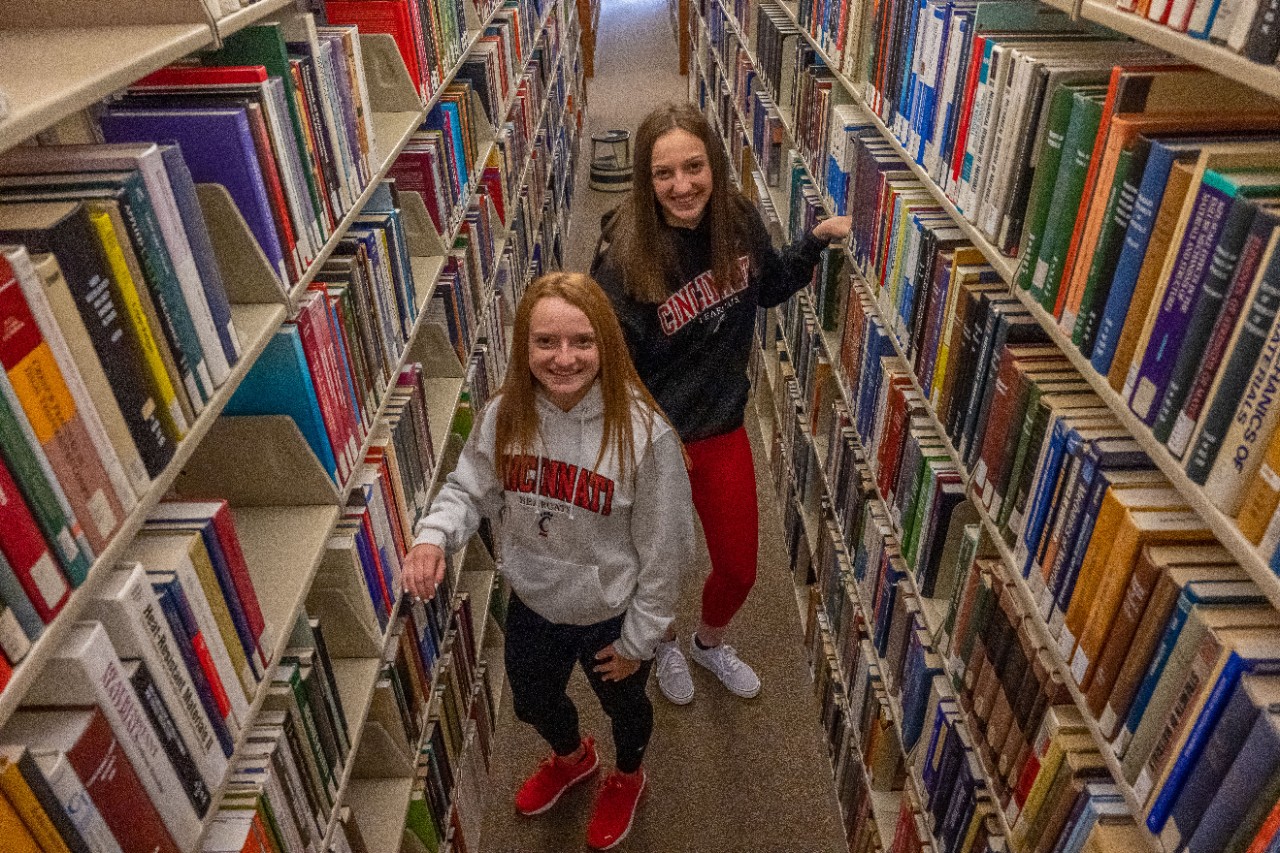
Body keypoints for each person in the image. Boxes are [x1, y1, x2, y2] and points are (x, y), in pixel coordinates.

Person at [401, 272, 695, 851]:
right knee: (533, 701)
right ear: (523, 346)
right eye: (545, 342)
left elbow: (668, 549)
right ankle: (572, 758)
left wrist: (640, 640)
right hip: (534, 601)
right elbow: (469, 488)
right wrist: (433, 536)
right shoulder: (505, 414)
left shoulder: (645, 434)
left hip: (611, 614)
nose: (564, 359)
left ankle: (628, 775)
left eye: (582, 341)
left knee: (625, 709)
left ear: (606, 344)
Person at [592, 100, 853, 706]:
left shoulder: (736, 219)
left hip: (721, 425)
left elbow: (768, 288)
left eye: (694, 167)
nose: (682, 186)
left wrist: (813, 243)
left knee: (738, 567)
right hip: (653, 440)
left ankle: (708, 643)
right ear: (645, 179)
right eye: (663, 173)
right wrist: (653, 437)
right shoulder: (623, 256)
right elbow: (610, 370)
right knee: (653, 565)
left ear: (714, 164)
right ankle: (662, 642)